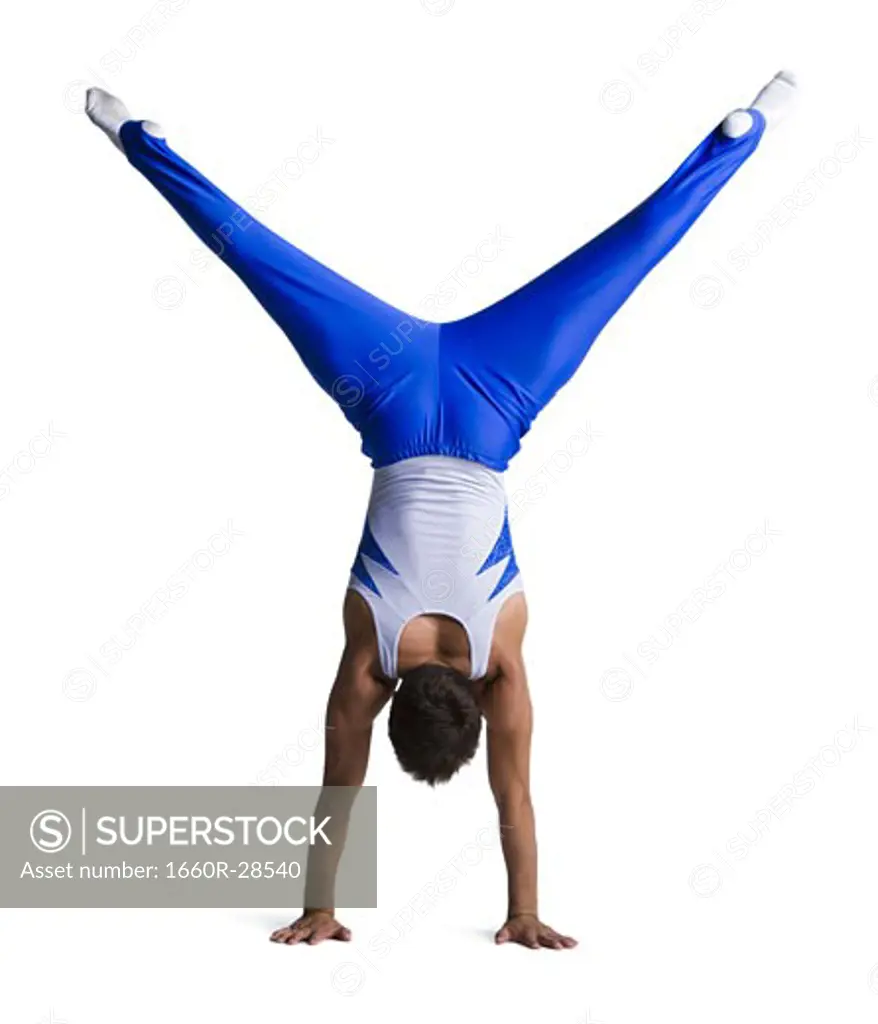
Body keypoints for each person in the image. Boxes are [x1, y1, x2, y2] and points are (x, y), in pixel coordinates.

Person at [86, 71, 796, 949]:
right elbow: (333, 796)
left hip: (501, 393)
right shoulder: (366, 656)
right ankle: (141, 140)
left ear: (469, 700)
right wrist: (319, 908)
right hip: (383, 393)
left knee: (624, 261)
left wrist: (523, 913)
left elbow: (517, 798)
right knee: (261, 261)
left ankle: (740, 135)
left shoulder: (501, 653)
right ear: (392, 703)